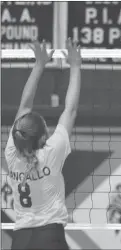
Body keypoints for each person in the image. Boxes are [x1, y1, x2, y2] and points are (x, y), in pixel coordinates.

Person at [5, 39, 82, 250]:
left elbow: (24, 106)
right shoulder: (51, 152)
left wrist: (39, 65)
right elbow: (70, 110)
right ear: (42, 139)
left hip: (20, 240)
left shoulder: (12, 151)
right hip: (49, 237)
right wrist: (75, 66)